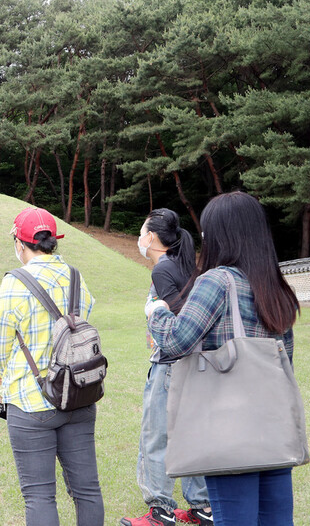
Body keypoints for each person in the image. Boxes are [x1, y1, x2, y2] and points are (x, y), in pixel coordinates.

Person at [146, 192, 300, 526]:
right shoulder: (276, 286)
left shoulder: (217, 280)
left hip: (230, 430)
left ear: (220, 235)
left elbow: (176, 342)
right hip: (272, 429)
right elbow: (285, 360)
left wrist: (157, 312)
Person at [0, 208, 104, 526]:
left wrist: (3, 373)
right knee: (87, 491)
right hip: (78, 393)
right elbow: (86, 314)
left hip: (30, 400)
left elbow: (0, 350)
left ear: (20, 242)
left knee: (39, 496)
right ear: (53, 240)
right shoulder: (75, 277)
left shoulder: (14, 284)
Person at [121, 209, 213, 526]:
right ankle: (202, 506)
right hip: (194, 364)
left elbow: (179, 316)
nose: (139, 238)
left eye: (142, 231)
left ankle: (160, 509)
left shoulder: (162, 271)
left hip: (169, 363)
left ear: (153, 238)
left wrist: (154, 313)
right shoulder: (188, 266)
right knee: (192, 434)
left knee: (155, 435)